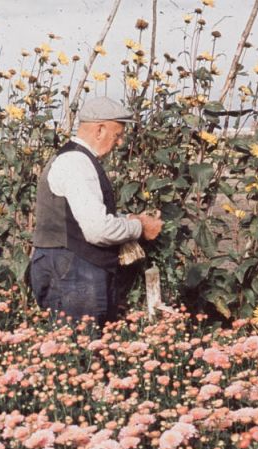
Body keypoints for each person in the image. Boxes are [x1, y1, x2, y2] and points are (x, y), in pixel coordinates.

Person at [30, 97, 162, 327]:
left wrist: (127, 219)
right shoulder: (77, 163)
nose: (120, 142)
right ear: (99, 129)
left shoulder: (69, 158)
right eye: (117, 135)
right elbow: (98, 230)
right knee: (83, 350)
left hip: (64, 266)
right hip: (75, 272)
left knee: (71, 349)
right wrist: (140, 226)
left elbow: (77, 216)